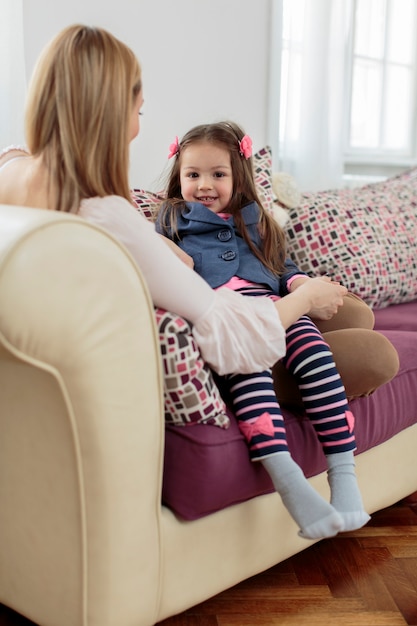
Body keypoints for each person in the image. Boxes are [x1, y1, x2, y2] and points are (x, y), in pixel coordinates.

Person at [0, 24, 349, 385]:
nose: (136, 128)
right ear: (112, 115)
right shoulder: (103, 214)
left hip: (27, 392)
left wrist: (156, 243)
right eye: (139, 112)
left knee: (348, 318)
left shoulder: (10, 168)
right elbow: (231, 331)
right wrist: (305, 299)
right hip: (101, 387)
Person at [156, 121, 373, 540]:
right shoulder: (170, 219)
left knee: (315, 352)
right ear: (178, 176)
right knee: (249, 372)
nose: (204, 185)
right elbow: (167, 268)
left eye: (218, 174)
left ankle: (344, 475)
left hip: (279, 309)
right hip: (227, 320)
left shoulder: (260, 222)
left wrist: (302, 285)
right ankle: (289, 483)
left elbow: (282, 270)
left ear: (239, 175)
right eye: (193, 174)